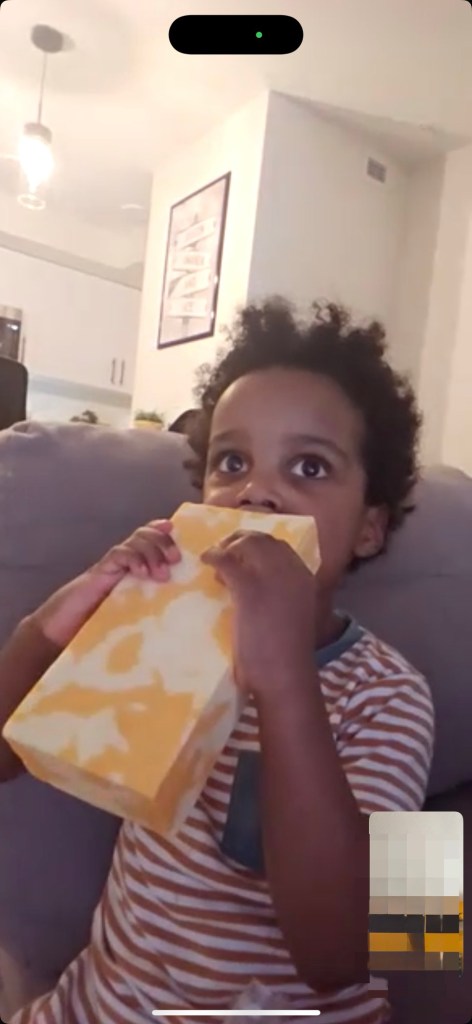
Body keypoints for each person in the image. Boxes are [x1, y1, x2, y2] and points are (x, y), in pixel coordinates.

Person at [0, 300, 434, 1024]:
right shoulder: (150, 625)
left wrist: (285, 677)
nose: (256, 492)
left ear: (368, 528)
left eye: (309, 466)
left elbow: (378, 951)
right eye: (231, 462)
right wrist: (55, 621)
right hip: (105, 1003)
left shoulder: (399, 692)